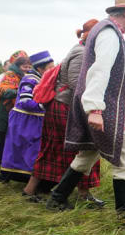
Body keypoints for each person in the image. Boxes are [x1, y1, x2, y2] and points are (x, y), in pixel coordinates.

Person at [46, 0, 125, 230]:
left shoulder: (106, 31)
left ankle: (57, 198)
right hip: (102, 109)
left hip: (97, 106)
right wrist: (95, 108)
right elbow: (100, 71)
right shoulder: (109, 34)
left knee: (86, 156)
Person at [23, 19, 103, 206]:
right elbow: (78, 84)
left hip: (64, 106)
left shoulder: (83, 51)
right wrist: (97, 103)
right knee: (82, 147)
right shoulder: (83, 53)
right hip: (65, 106)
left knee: (56, 149)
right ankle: (83, 194)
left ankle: (31, 190)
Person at [0, 51, 55, 183]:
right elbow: (25, 101)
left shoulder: (40, 79)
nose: (53, 70)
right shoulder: (30, 80)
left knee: (28, 149)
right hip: (24, 120)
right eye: (50, 68)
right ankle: (16, 176)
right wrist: (45, 106)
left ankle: (21, 177)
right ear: (40, 68)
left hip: (32, 120)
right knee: (22, 148)